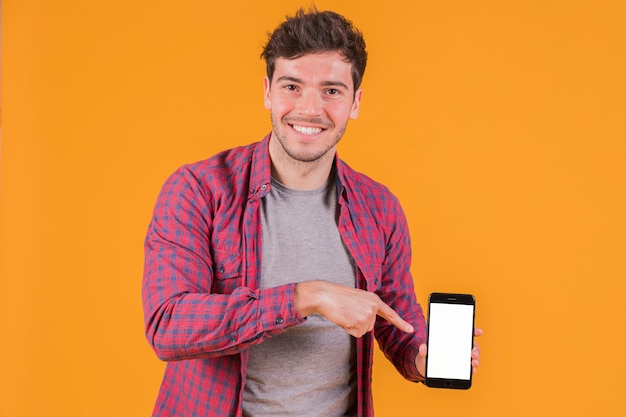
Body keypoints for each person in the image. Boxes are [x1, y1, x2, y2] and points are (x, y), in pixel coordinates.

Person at [142, 7, 481, 417]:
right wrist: (308, 296)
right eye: (292, 86)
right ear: (268, 91)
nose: (310, 108)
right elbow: (169, 324)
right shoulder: (197, 190)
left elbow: (395, 319)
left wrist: (422, 357)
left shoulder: (379, 207)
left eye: (331, 91)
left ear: (355, 102)